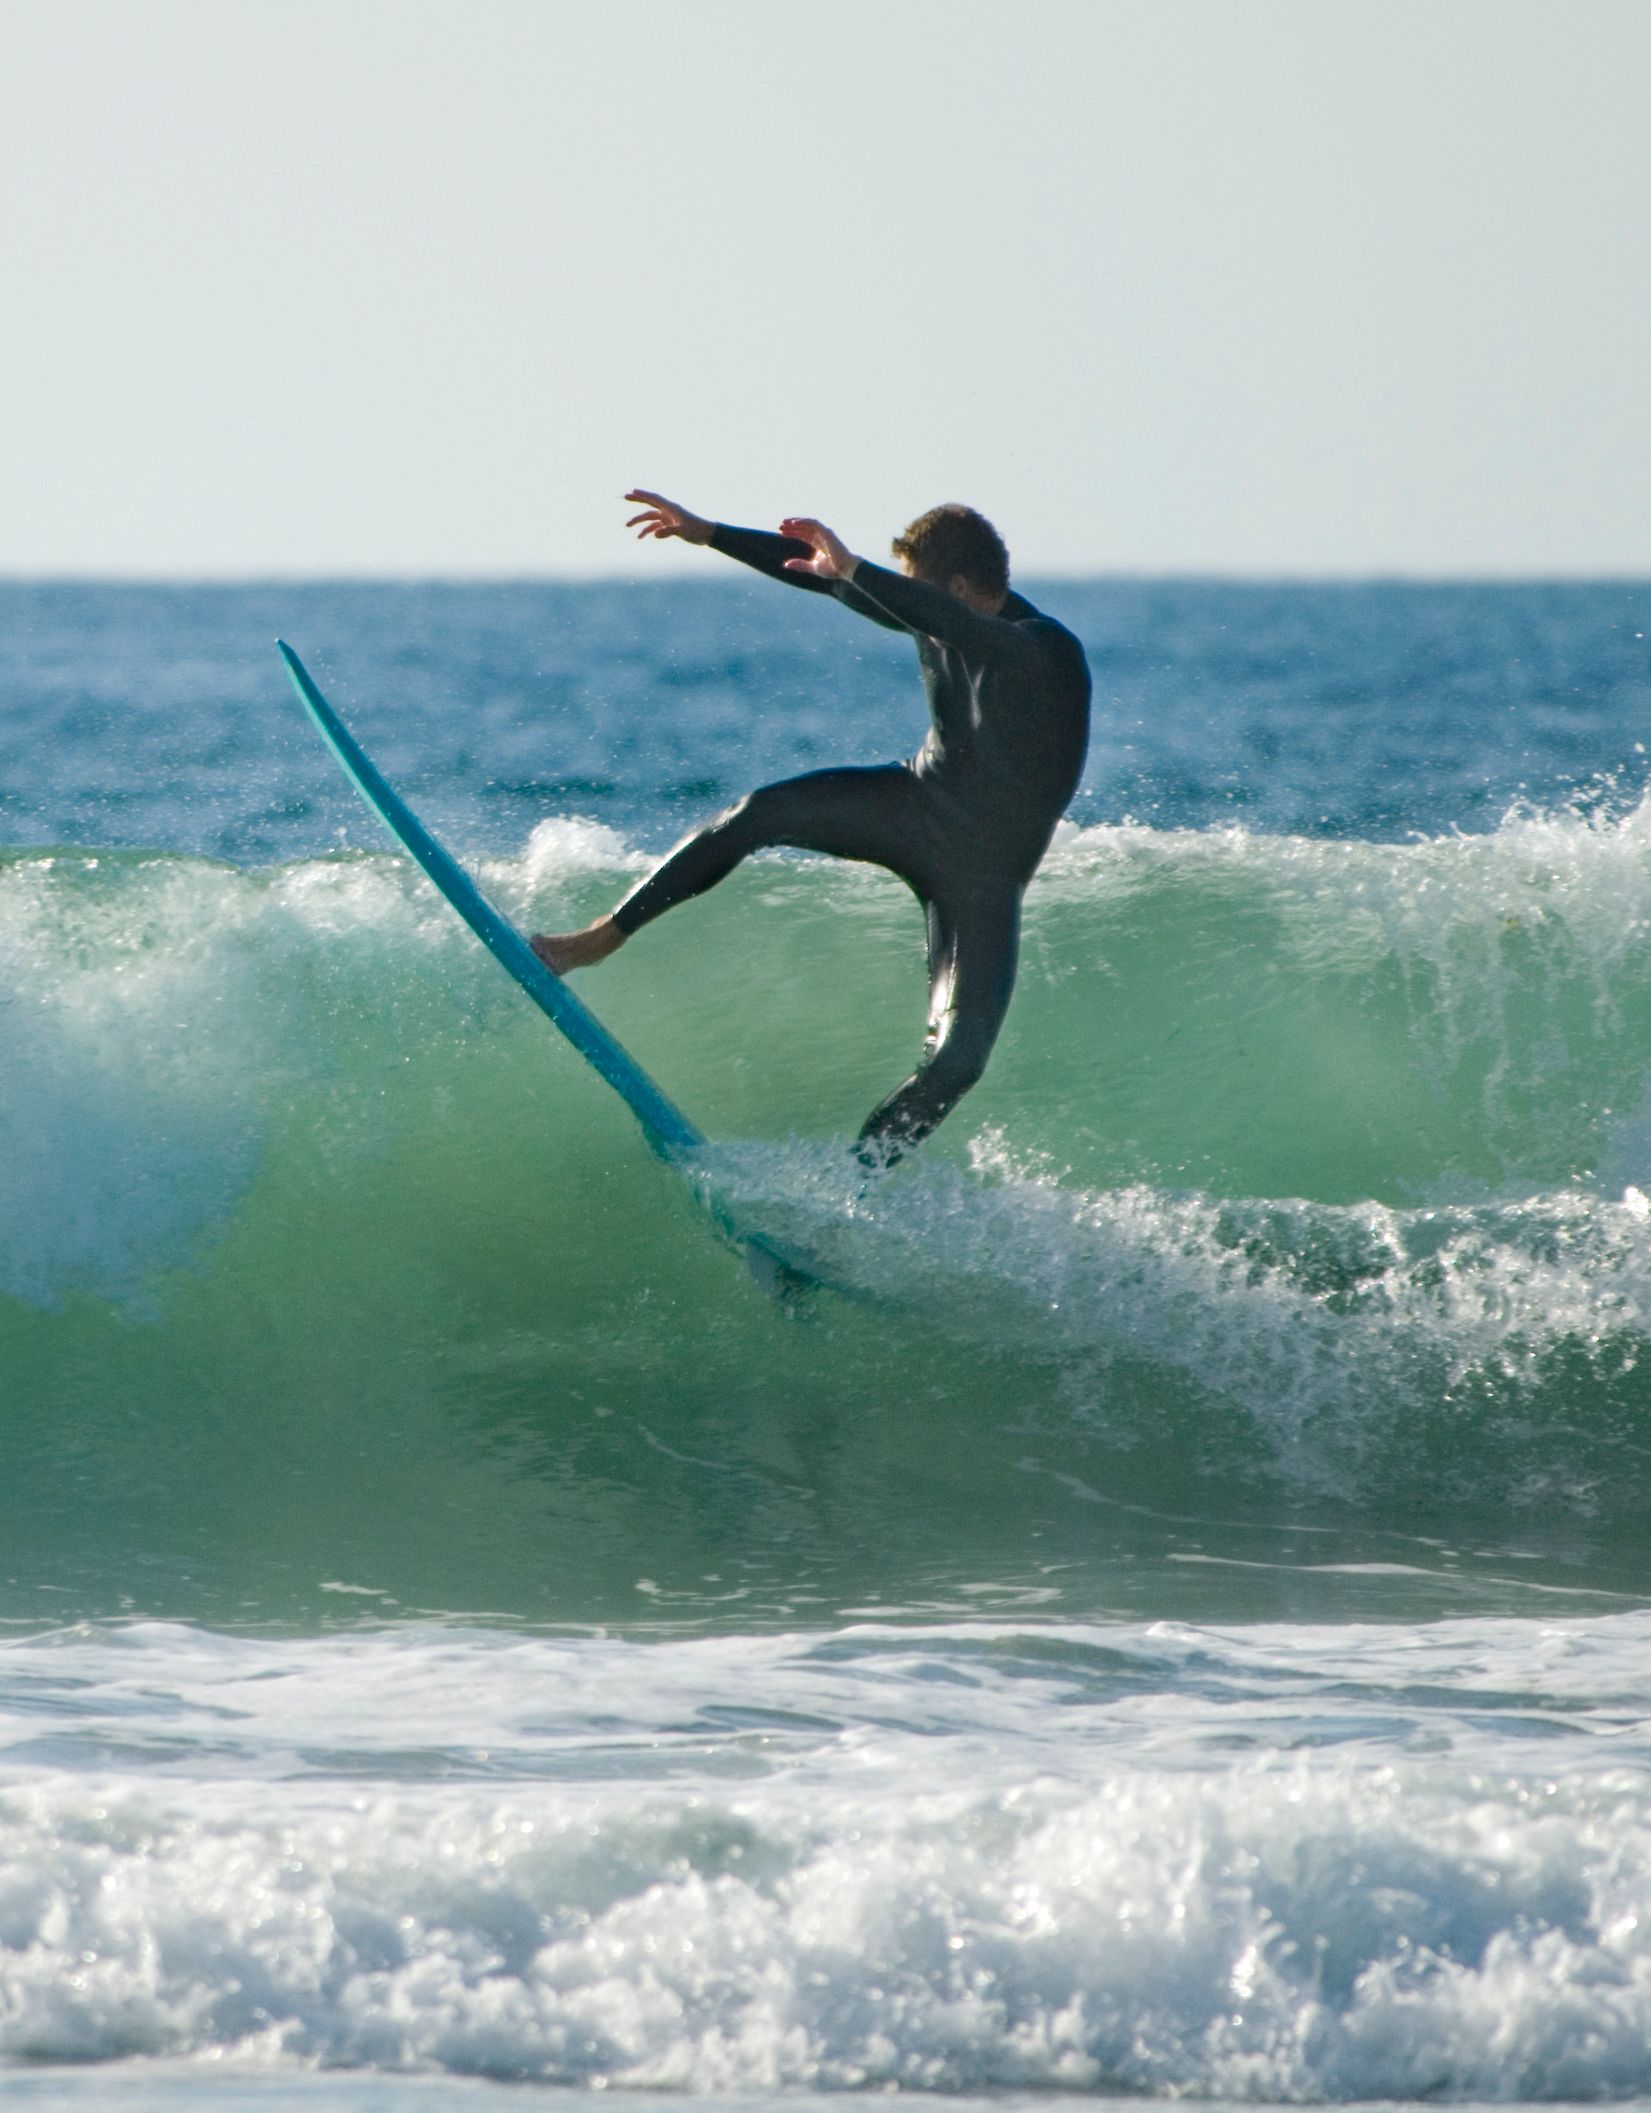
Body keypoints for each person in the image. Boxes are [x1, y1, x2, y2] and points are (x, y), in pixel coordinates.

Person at [531, 491, 1092, 1162]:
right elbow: (830, 581)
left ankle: (854, 1192)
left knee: (956, 1063)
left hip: (984, 872)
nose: (907, 606)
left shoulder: (1044, 651)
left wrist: (857, 570)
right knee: (756, 814)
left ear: (965, 588)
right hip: (916, 803)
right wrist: (708, 533)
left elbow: (949, 620)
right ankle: (589, 942)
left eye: (919, 591)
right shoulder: (942, 611)